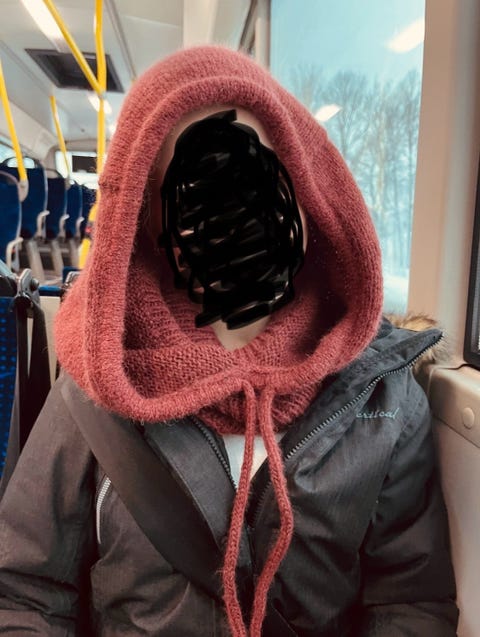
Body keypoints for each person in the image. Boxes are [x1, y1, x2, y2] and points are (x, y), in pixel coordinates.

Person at [0, 46, 458, 636]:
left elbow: (409, 599)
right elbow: (28, 593)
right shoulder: (98, 385)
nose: (235, 216)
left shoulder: (381, 395)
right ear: (146, 220)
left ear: (304, 189)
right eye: (195, 190)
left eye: (254, 176)